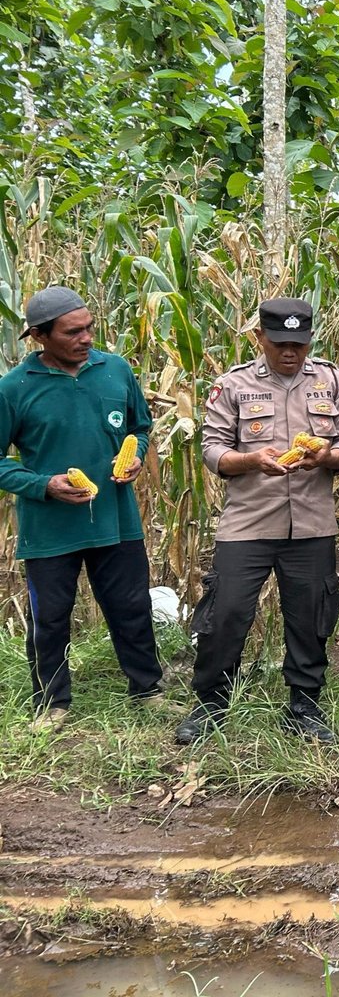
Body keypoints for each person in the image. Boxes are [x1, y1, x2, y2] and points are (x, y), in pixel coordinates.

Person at [180, 297, 339, 746]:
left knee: (311, 615)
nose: (289, 352)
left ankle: (305, 705)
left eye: (298, 344)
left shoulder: (332, 381)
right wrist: (249, 461)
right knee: (225, 612)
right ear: (259, 337)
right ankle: (211, 704)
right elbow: (212, 450)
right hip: (248, 523)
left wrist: (329, 455)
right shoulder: (234, 385)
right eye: (279, 343)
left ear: (309, 340)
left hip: (313, 523)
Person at [0, 286, 164, 732]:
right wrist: (42, 485)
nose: (87, 338)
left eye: (90, 328)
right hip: (50, 528)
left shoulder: (115, 370)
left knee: (131, 606)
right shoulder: (14, 388)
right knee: (50, 617)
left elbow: (140, 427)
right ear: (39, 336)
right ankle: (52, 702)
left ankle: (147, 689)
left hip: (117, 520)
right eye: (73, 332)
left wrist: (133, 457)